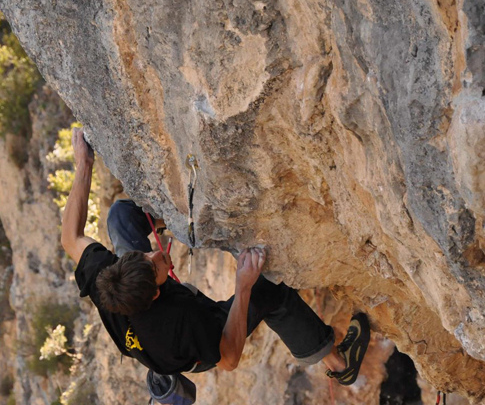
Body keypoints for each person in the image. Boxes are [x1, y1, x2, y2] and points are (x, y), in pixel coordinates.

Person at [60, 128, 369, 386]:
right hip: (197, 342)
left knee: (120, 216)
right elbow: (230, 358)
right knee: (271, 291)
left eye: (146, 255)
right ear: (157, 292)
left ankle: (178, 214)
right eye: (157, 264)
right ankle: (338, 362)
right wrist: (244, 285)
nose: (157, 253)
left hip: (140, 299)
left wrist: (83, 164)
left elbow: (70, 237)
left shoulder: (107, 279)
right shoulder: (181, 324)